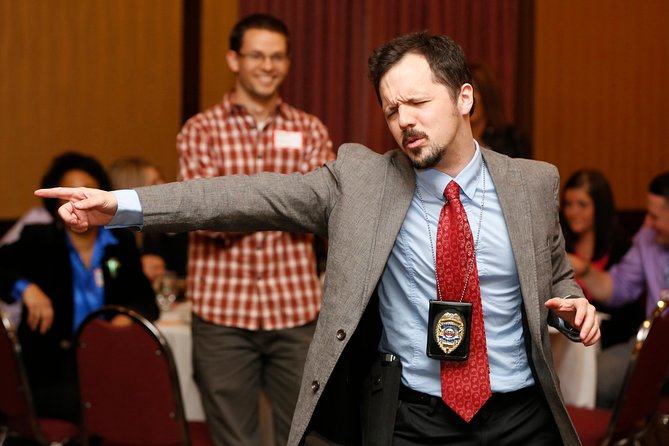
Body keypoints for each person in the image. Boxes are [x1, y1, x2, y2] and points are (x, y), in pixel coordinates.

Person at [37, 32, 600, 446]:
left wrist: (571, 308)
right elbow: (245, 196)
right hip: (414, 418)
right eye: (391, 109)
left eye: (418, 102)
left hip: (521, 415)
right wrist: (122, 206)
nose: (404, 120)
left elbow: (555, 277)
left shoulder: (532, 184)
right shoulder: (362, 181)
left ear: (464, 98)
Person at [176, 13, 334, 446]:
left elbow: (319, 210)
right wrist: (284, 202)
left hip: (296, 310)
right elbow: (203, 217)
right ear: (234, 60)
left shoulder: (310, 129)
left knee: (307, 436)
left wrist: (233, 202)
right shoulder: (200, 131)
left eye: (278, 57)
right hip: (221, 315)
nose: (268, 66)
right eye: (257, 56)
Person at [0, 152, 158, 424]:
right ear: (54, 204)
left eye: (85, 192)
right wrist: (26, 288)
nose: (78, 202)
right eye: (68, 194)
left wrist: (125, 316)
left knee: (145, 396)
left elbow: (145, 298)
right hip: (50, 369)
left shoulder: (120, 243)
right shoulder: (40, 239)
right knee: (104, 407)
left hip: (108, 361)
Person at [568, 171, 669, 408]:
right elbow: (617, 288)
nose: (647, 222)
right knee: (598, 377)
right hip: (653, 343)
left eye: (654, 216)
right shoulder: (647, 238)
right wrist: (583, 269)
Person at [560, 169, 638, 348]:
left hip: (612, 342)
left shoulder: (621, 246)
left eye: (582, 205)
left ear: (600, 206)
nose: (573, 212)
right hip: (567, 339)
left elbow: (626, 308)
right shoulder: (560, 244)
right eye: (568, 204)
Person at [109, 156, 188, 283]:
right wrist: (135, 268)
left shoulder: (164, 235)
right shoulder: (111, 239)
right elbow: (107, 276)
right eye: (154, 184)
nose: (165, 188)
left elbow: (184, 276)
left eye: (162, 180)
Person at [468, 62, 530, 158]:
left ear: (488, 95)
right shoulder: (449, 140)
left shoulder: (511, 141)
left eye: (474, 90)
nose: (468, 98)